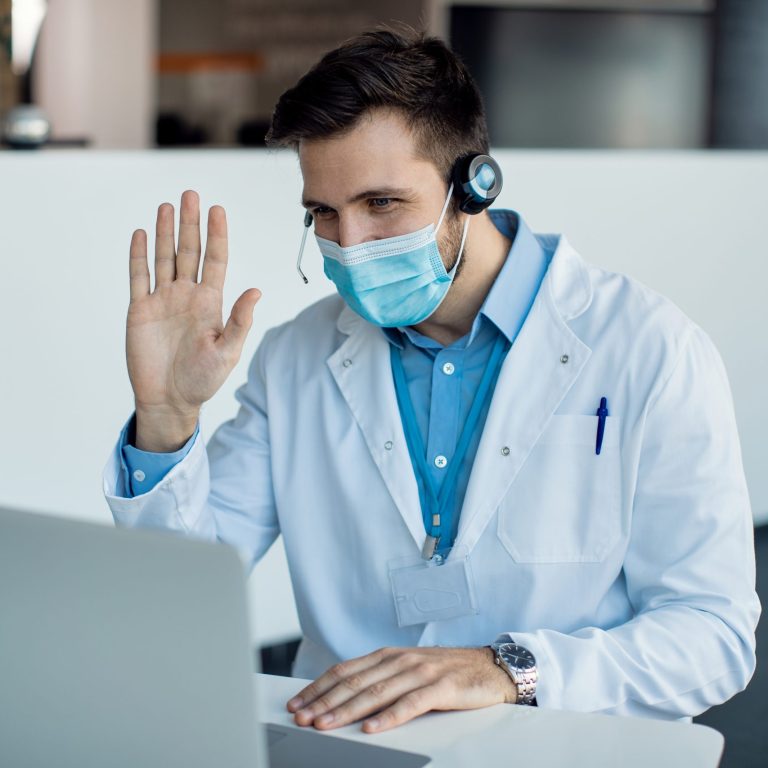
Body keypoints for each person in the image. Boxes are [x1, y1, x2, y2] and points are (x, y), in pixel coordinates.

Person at [104, 29, 759, 734]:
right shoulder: (294, 359)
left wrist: (510, 669)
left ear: (473, 186)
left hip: (562, 744)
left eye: (381, 203)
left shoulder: (648, 349)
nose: (348, 245)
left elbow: (713, 637)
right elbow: (183, 589)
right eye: (323, 212)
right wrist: (167, 415)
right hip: (354, 746)